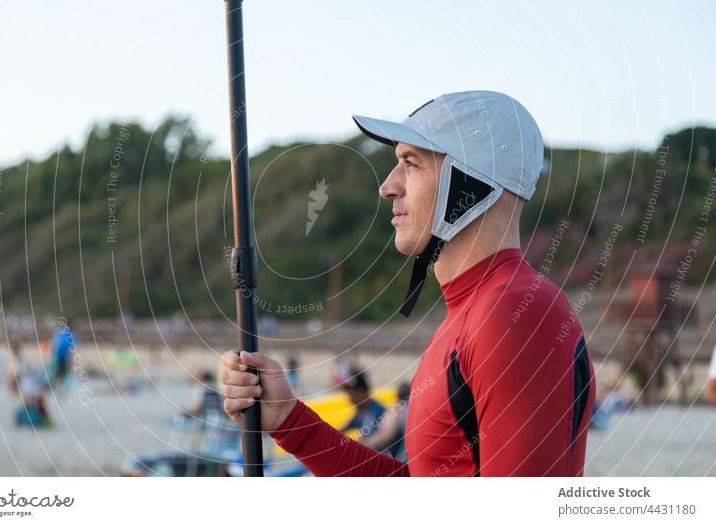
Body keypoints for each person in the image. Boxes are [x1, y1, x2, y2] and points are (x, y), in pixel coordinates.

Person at [221, 90, 596, 476]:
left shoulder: (513, 312)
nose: (387, 186)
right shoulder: (475, 310)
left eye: (411, 164)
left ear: (470, 183)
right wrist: (289, 420)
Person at [362, 381, 411, 459]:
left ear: (397, 397)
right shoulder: (415, 410)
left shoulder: (396, 410)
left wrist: (365, 443)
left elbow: (386, 435)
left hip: (401, 459)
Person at [340, 370, 386, 437]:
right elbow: (343, 429)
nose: (351, 400)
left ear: (362, 392)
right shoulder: (360, 413)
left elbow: (380, 438)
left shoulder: (378, 412)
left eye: (351, 395)